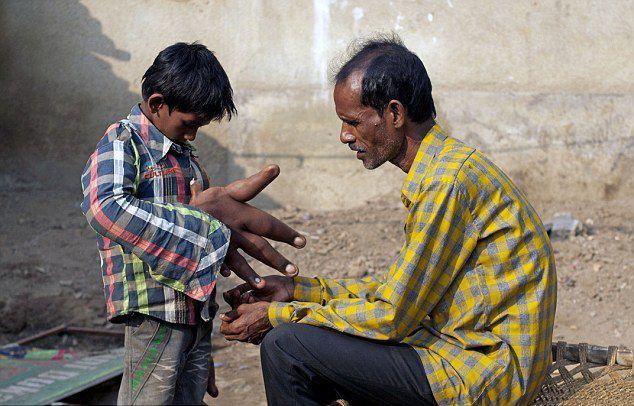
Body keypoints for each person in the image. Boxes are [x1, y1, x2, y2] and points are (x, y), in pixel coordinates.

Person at [221, 35, 557, 405]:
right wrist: (297, 290)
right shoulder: (442, 170)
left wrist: (280, 315)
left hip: (479, 372)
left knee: (288, 346)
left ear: (395, 114)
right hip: (451, 348)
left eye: (352, 122)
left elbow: (392, 316)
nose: (344, 136)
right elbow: (395, 293)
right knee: (303, 349)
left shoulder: (446, 184)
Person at [80, 42, 305, 405]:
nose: (193, 134)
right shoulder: (123, 143)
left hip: (193, 311)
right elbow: (104, 207)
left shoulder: (186, 158)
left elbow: (203, 238)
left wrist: (202, 342)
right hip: (152, 311)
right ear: (157, 104)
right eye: (189, 123)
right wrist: (202, 223)